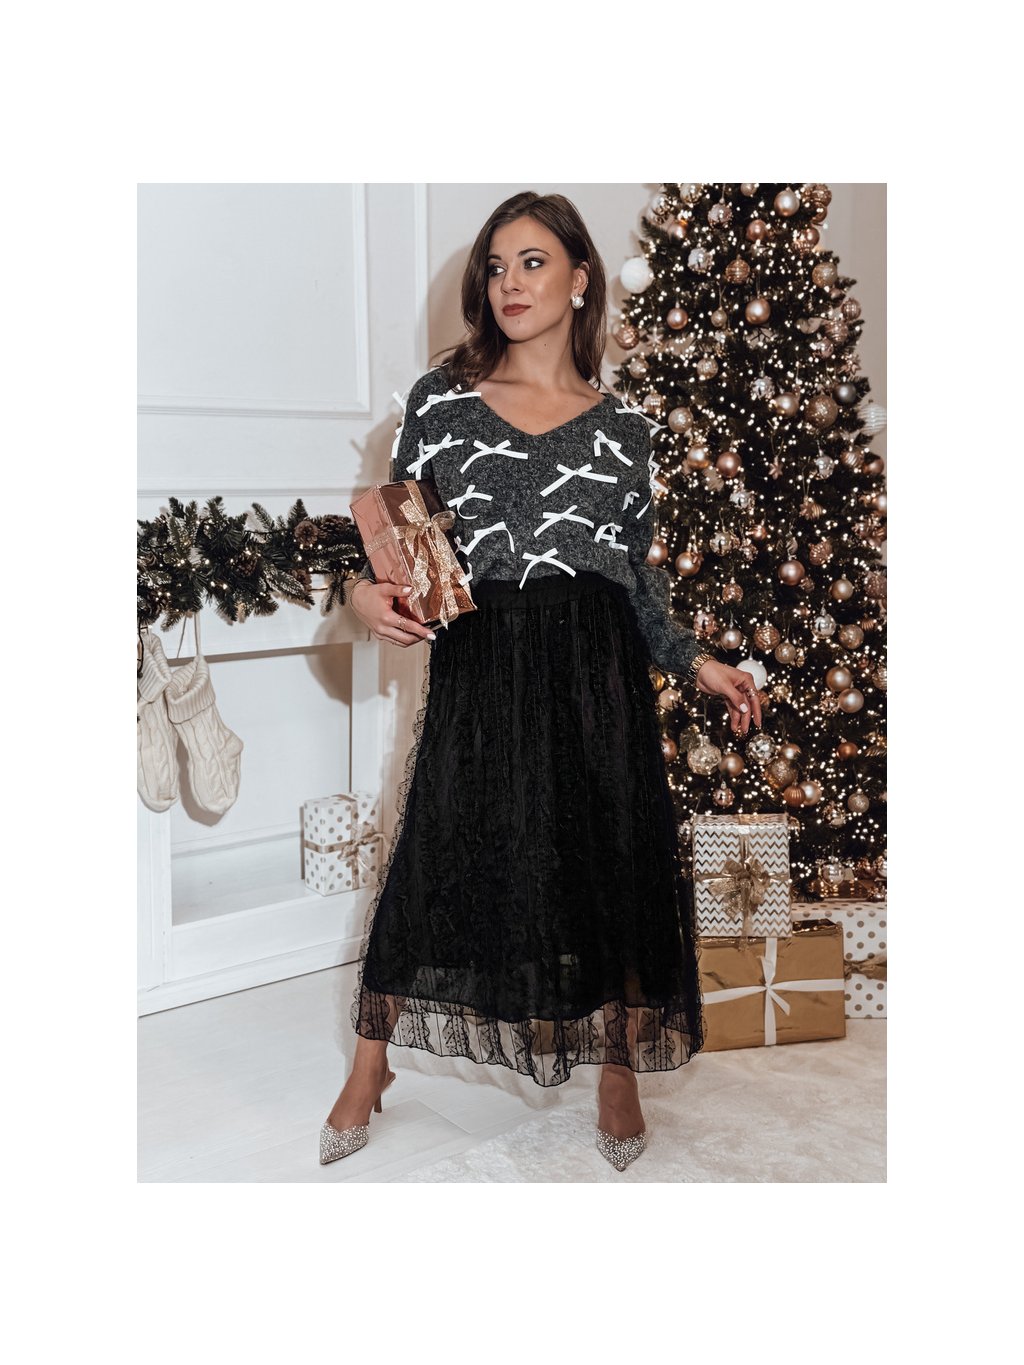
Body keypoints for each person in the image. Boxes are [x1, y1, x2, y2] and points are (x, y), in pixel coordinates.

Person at [321, 191, 761, 1173]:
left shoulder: (627, 431)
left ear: (579, 280)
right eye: (495, 266)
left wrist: (699, 662)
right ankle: (369, 1064)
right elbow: (393, 540)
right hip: (484, 669)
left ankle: (617, 1070)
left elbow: (636, 586)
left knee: (608, 866)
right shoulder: (440, 404)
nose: (509, 284)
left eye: (532, 263)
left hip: (597, 675)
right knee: (436, 859)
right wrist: (360, 593)